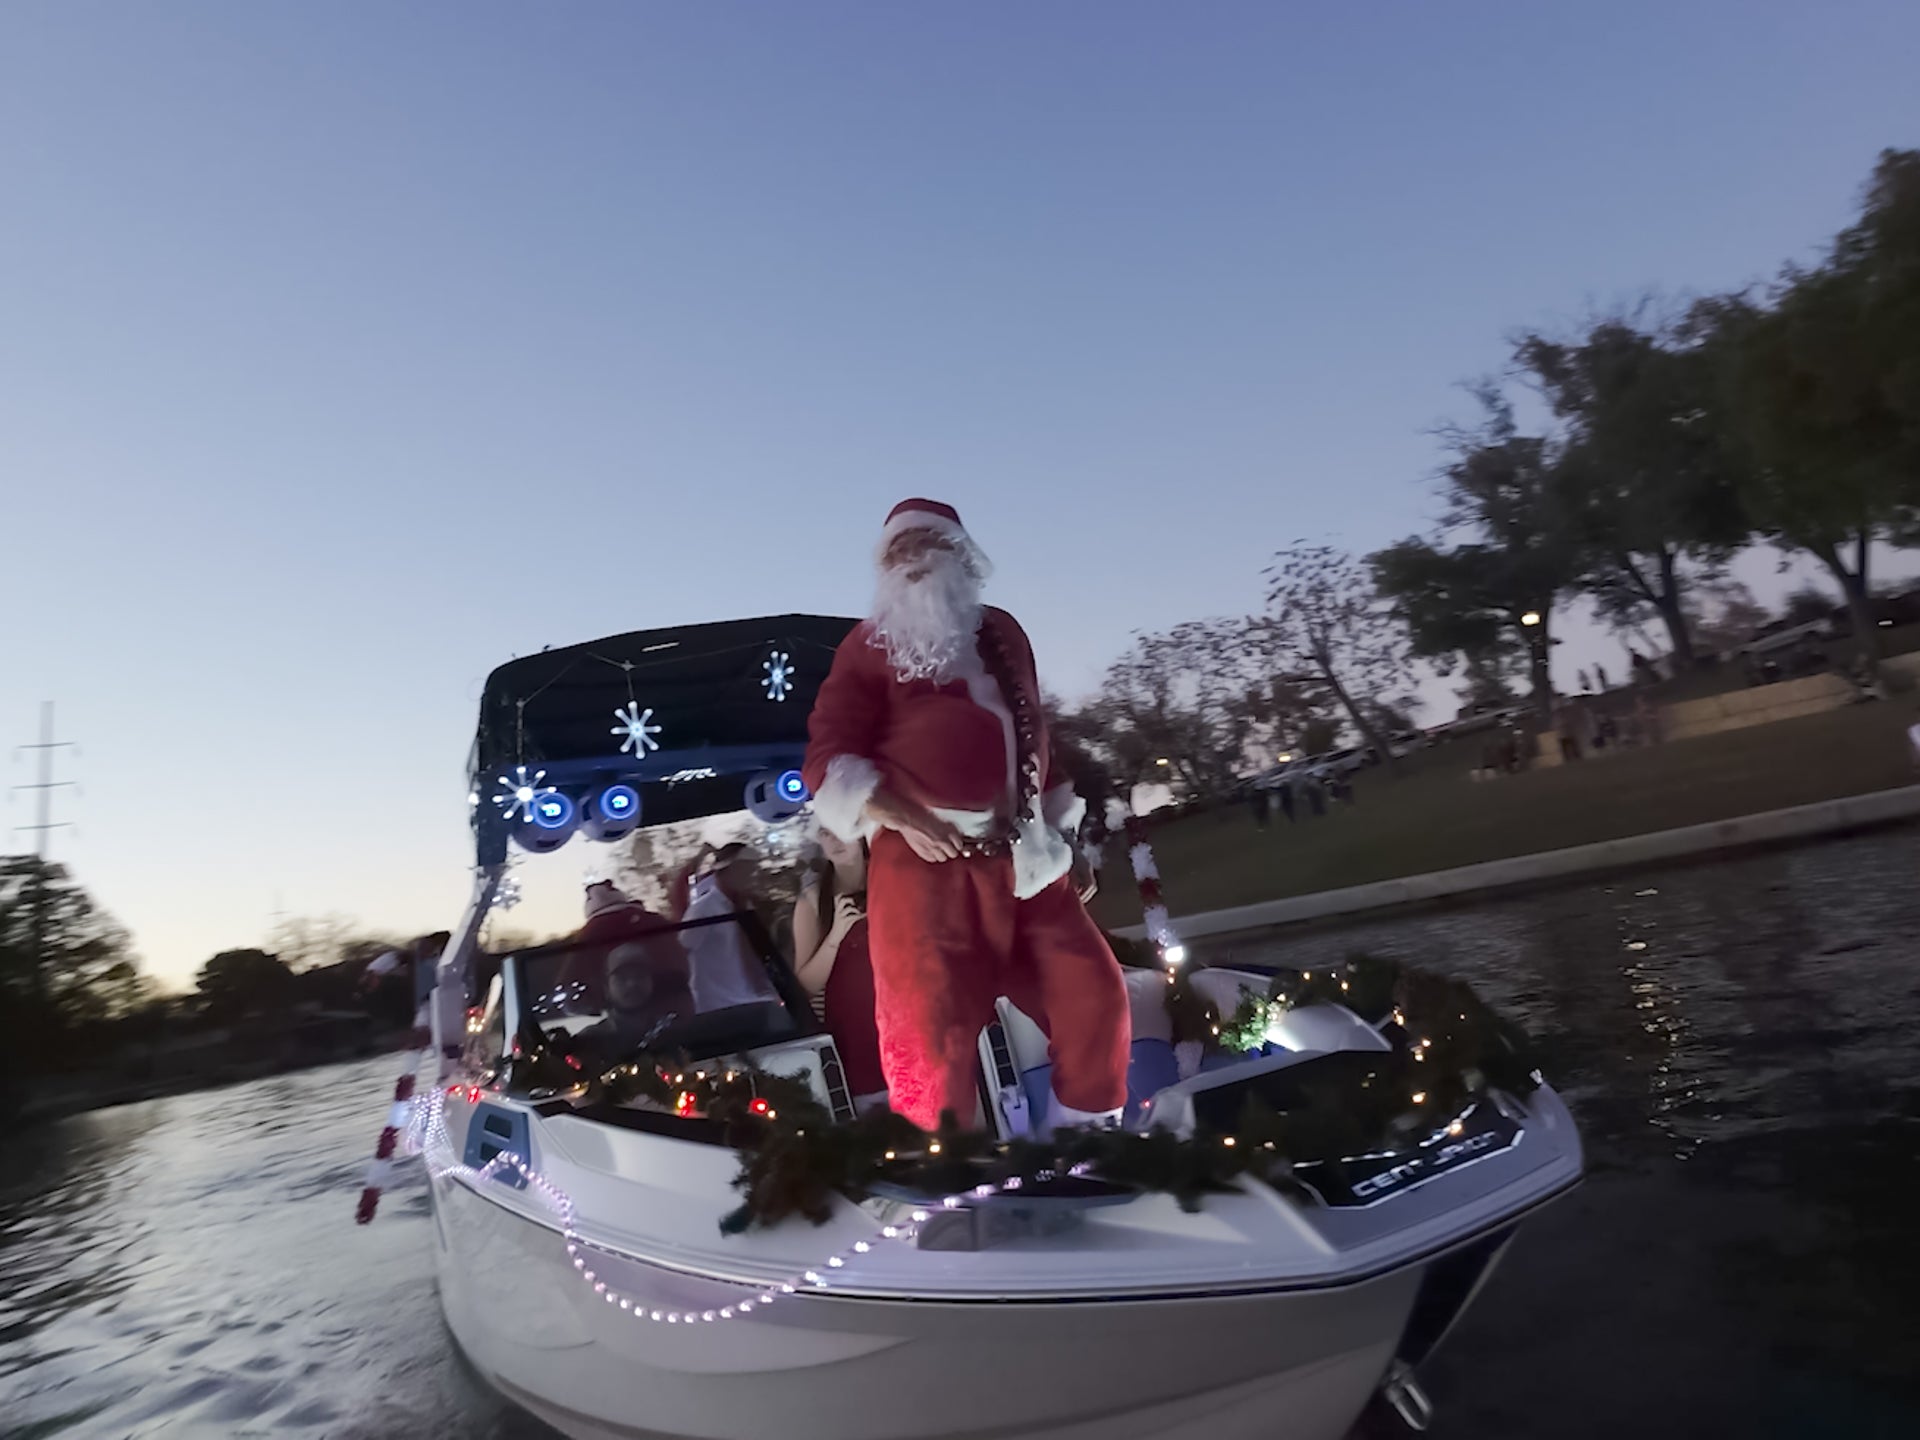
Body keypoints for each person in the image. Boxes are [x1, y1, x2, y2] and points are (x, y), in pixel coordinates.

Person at [802, 498, 1130, 1133]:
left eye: (925, 544)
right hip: (926, 868)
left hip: (1028, 859)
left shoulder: (1003, 633)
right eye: (896, 551)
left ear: (961, 555)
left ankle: (1087, 1144)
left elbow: (1036, 735)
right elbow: (826, 757)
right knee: (929, 1033)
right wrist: (897, 813)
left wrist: (1062, 830)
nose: (911, 559)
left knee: (1093, 993)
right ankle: (945, 1177)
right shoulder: (867, 646)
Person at [790, 830, 887, 1106]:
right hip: (855, 1045)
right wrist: (836, 935)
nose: (835, 840)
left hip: (906, 1031)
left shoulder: (890, 878)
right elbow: (804, 988)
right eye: (825, 833)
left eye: (841, 829)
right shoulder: (812, 901)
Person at [680, 843, 778, 1011]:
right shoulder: (703, 910)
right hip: (719, 1009)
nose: (752, 875)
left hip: (756, 1003)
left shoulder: (746, 907)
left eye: (752, 869)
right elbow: (682, 952)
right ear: (728, 871)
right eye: (746, 869)